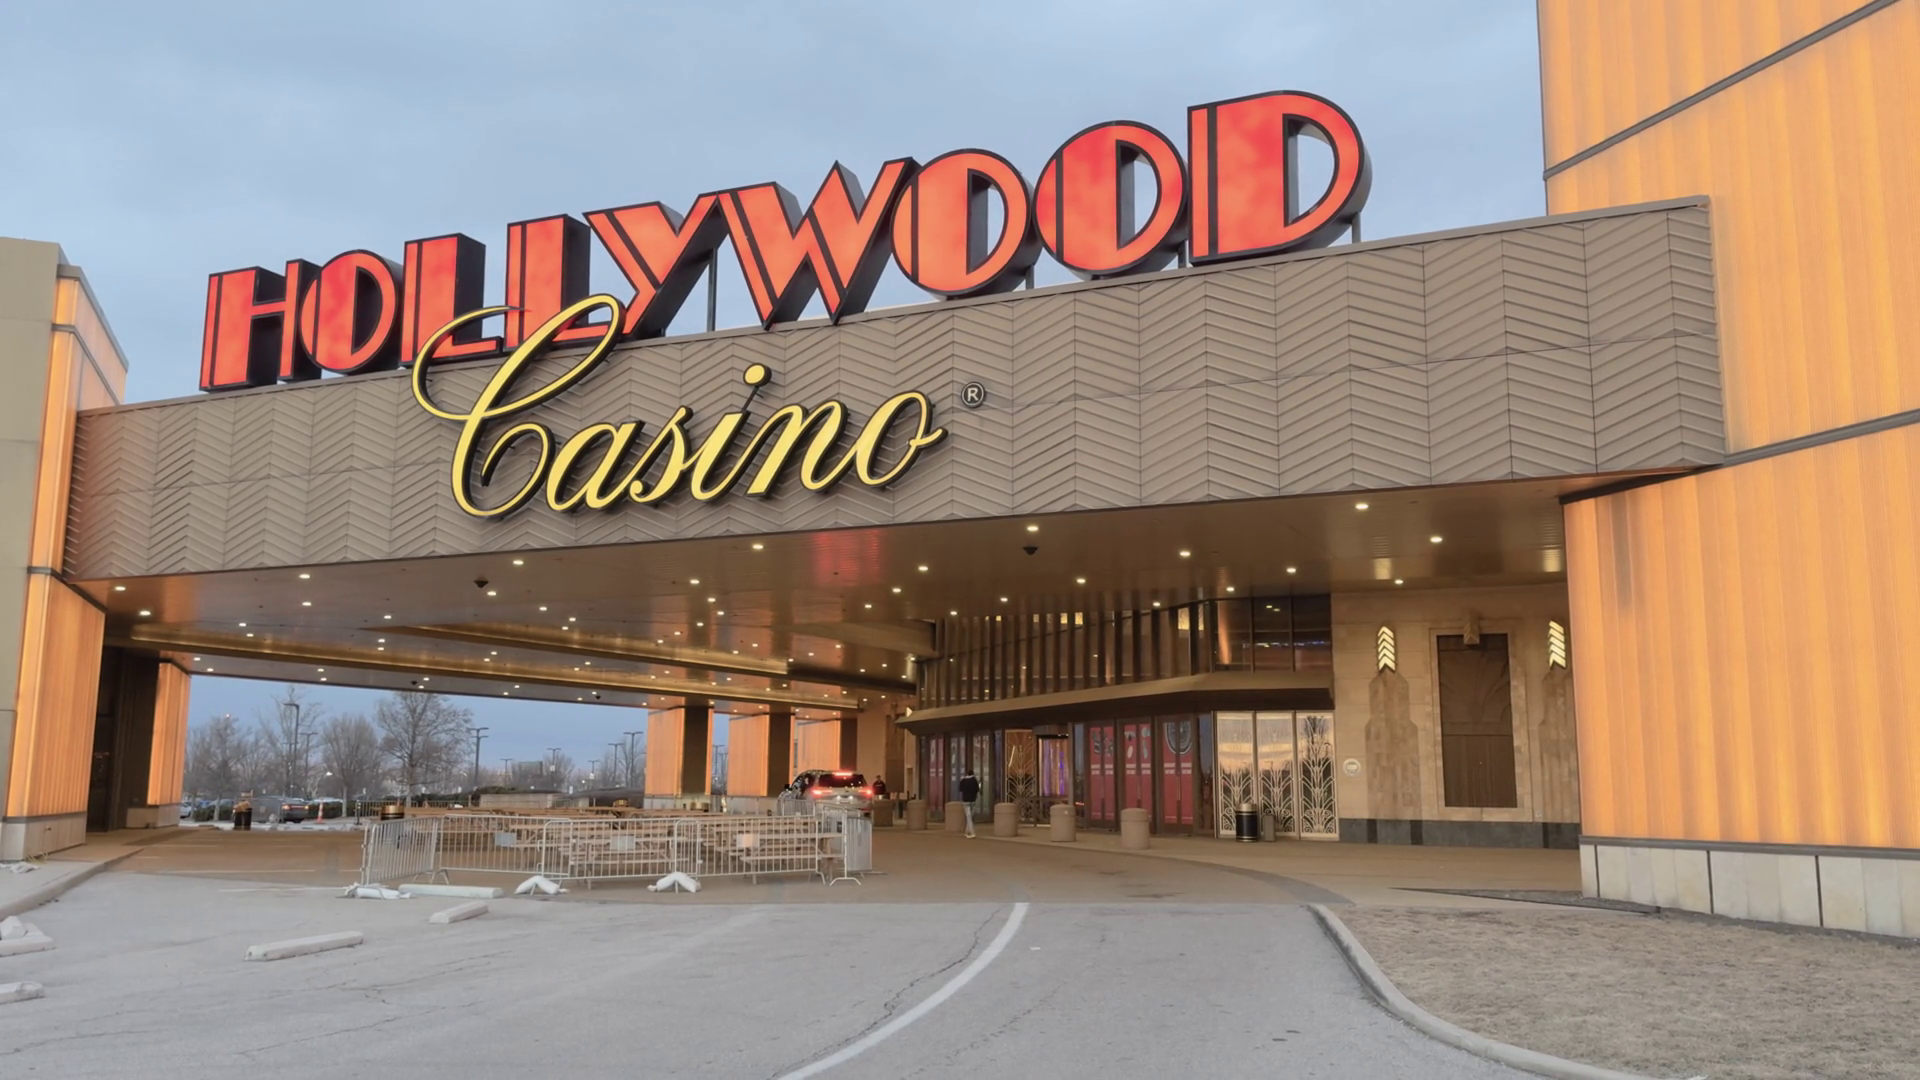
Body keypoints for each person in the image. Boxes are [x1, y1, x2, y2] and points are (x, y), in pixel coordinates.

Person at [957, 769, 980, 838]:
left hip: (966, 801)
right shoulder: (974, 780)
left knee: (968, 817)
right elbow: (977, 789)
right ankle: (967, 831)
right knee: (970, 817)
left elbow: (960, 789)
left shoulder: (963, 780)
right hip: (973, 800)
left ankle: (972, 832)